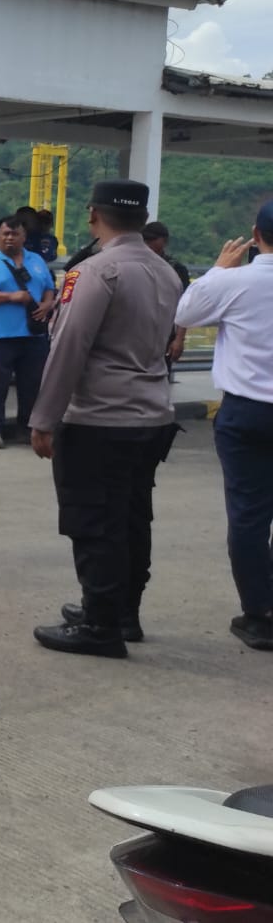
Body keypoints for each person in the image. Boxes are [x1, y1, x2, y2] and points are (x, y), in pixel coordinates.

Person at [25, 181, 182, 658]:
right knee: (133, 516)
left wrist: (44, 418)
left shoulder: (96, 272)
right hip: (151, 415)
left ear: (94, 215)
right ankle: (121, 611)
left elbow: (69, 346)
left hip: (100, 417)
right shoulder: (167, 272)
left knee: (95, 521)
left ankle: (100, 626)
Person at [174, 201, 273, 652]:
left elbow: (186, 314)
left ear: (256, 234)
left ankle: (261, 614)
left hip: (247, 412)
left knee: (249, 515)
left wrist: (216, 269)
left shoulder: (235, 281)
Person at [0, 216, 56, 448]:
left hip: (33, 336)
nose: (9, 238)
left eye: (14, 234)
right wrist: (10, 297)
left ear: (23, 237)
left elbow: (49, 288)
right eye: (5, 234)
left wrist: (48, 304)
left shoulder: (36, 261)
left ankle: (26, 428)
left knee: (32, 386)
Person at [141, 221, 191, 377]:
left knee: (160, 379)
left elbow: (185, 305)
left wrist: (179, 339)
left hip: (165, 336)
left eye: (153, 240)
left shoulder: (176, 269)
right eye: (146, 240)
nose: (148, 245)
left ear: (164, 241)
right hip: (137, 334)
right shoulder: (136, 264)